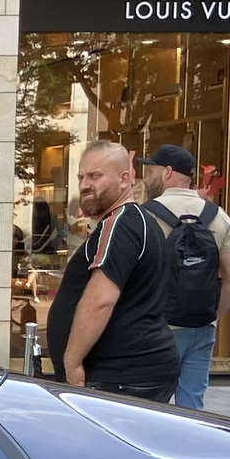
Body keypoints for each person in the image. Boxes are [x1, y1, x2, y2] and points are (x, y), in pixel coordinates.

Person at [44, 140, 180, 402]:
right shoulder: (139, 223)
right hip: (133, 374)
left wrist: (71, 364)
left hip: (117, 377)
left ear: (124, 179)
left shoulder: (119, 224)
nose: (84, 184)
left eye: (95, 176)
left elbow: (100, 300)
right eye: (81, 176)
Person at [139, 144, 230, 411]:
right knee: (192, 407)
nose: (146, 178)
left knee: (148, 406)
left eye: (150, 172)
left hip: (157, 328)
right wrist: (211, 313)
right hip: (202, 328)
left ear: (167, 172)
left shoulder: (145, 215)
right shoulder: (218, 216)